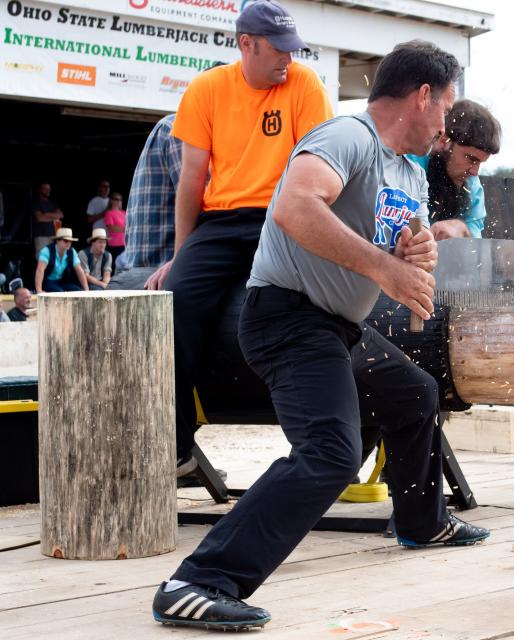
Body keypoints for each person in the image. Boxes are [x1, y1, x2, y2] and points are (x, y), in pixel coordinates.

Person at [151, 39, 489, 631]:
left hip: (339, 327)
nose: (445, 124)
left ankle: (421, 521)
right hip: (286, 318)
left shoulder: (408, 170)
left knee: (414, 395)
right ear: (423, 95)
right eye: (445, 108)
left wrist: (416, 250)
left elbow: (397, 242)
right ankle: (197, 581)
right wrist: (386, 269)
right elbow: (295, 207)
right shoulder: (346, 138)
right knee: (330, 452)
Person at [144, 0, 334, 478]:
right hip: (222, 222)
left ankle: (323, 448)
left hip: (284, 215)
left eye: (293, 49)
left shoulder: (304, 84)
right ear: (245, 44)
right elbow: (191, 179)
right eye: (279, 49)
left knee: (302, 306)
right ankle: (177, 447)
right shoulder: (207, 89)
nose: (288, 59)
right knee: (176, 300)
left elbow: (322, 169)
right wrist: (181, 254)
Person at [408, 99, 501, 239]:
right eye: (471, 159)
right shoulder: (409, 165)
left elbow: (474, 238)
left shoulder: (472, 186)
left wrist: (462, 228)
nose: (474, 172)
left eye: (481, 162)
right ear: (443, 141)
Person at [126, 115, 181, 268]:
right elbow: (204, 205)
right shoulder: (180, 126)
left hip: (151, 267)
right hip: (162, 268)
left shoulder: (171, 125)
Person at [34, 228, 89, 293]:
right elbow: (40, 270)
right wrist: (39, 290)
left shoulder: (72, 251)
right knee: (61, 293)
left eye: (70, 241)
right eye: (66, 241)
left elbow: (79, 271)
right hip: (48, 282)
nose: (68, 243)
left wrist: (86, 290)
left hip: (63, 282)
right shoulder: (47, 251)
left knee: (79, 292)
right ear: (57, 241)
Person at [31, 183, 64, 255]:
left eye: (49, 189)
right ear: (40, 190)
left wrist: (46, 214)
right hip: (41, 236)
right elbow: (40, 218)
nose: (48, 191)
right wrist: (54, 217)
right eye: (45, 189)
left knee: (53, 259)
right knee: (42, 259)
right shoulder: (36, 203)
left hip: (53, 235)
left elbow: (61, 215)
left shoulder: (52, 203)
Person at [102, 192, 127, 263]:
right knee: (114, 265)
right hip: (114, 244)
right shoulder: (109, 213)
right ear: (111, 200)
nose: (119, 201)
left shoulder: (124, 212)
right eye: (116, 199)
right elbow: (111, 228)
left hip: (124, 243)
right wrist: (126, 229)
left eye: (120, 199)